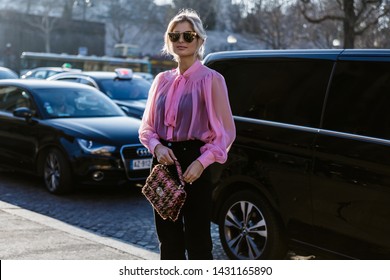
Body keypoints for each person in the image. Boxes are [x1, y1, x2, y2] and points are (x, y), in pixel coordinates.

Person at [138, 9, 236, 260]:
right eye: (174, 35)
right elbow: (146, 127)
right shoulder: (161, 80)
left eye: (188, 35)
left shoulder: (212, 80)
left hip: (195, 161)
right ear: (168, 40)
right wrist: (156, 148)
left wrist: (202, 162)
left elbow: (225, 133)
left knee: (198, 239)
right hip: (162, 160)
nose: (181, 40)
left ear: (200, 40)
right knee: (167, 239)